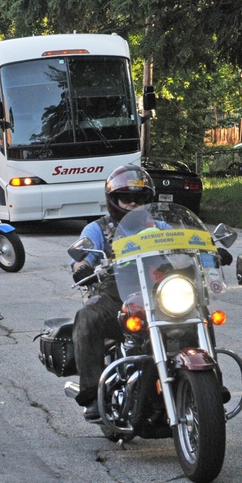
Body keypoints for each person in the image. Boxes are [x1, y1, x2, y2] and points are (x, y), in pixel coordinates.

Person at [69, 164, 156, 421]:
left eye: (139, 198)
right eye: (125, 198)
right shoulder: (97, 229)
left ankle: (210, 383)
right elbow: (81, 258)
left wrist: (211, 253)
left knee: (200, 313)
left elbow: (190, 243)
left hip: (160, 293)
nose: (132, 203)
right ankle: (92, 394)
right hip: (117, 296)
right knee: (86, 318)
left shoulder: (161, 225)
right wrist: (81, 267)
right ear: (113, 199)